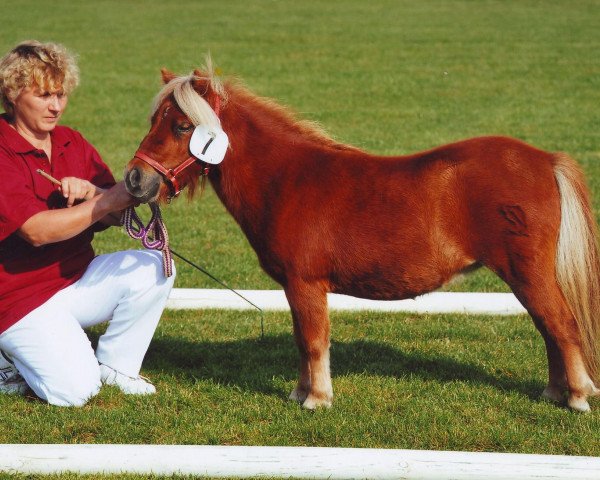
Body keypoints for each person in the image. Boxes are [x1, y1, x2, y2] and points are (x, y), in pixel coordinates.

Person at [0, 40, 175, 406]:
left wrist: (95, 191)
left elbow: (116, 214)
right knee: (76, 391)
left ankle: (117, 366)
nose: (56, 106)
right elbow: (36, 232)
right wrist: (106, 199)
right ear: (13, 94)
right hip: (17, 300)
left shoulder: (70, 141)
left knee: (156, 264)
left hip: (75, 281)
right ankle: (8, 358)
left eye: (61, 94)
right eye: (44, 95)